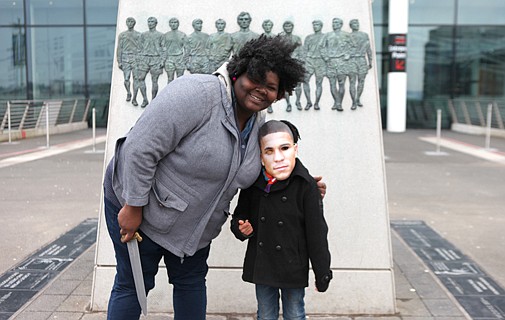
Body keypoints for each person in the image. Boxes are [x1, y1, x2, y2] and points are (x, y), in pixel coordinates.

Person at [103, 35, 326, 320]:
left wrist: (302, 184)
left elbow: (266, 167)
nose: (260, 90)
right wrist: (133, 206)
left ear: (279, 95)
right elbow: (139, 148)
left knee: (190, 283)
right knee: (133, 284)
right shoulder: (196, 93)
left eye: (271, 87)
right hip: (138, 209)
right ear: (237, 72)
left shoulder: (257, 125)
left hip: (195, 228)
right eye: (254, 79)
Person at [230, 120, 332, 320]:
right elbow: (240, 215)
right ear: (260, 157)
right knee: (265, 314)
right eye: (269, 151)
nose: (278, 158)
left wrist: (322, 272)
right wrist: (241, 228)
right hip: (263, 264)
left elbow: (317, 233)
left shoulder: (306, 185)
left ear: (295, 149)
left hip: (293, 265)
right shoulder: (253, 184)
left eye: (284, 148)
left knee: (294, 314)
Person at [321, 18, 351, 111]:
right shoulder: (328, 35)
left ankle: (338, 103)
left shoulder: (346, 35)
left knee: (341, 83)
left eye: (337, 22)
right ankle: (337, 102)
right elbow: (322, 47)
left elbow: (353, 46)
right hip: (331, 61)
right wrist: (325, 56)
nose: (334, 24)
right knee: (332, 83)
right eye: (333, 22)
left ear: (341, 24)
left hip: (342, 62)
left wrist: (348, 54)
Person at [134, 16, 164, 108]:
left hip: (156, 59)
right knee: (140, 78)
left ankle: (153, 100)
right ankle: (145, 99)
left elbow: (164, 48)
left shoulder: (160, 35)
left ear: (156, 23)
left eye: (152, 21)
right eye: (149, 21)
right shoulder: (143, 35)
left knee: (154, 80)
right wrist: (138, 59)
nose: (150, 23)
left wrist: (162, 60)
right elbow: (139, 48)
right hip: (144, 58)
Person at [279, 21, 304, 112]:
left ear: (292, 27)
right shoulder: (281, 38)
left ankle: (298, 101)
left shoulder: (297, 38)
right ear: (284, 27)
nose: (288, 27)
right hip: (285, 64)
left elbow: (301, 51)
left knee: (298, 85)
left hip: (296, 64)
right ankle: (288, 104)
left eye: (289, 26)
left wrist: (301, 62)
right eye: (286, 26)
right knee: (286, 86)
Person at [348, 19, 372, 109]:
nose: (356, 25)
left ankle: (357, 98)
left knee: (361, 81)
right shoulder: (348, 36)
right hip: (351, 60)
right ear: (351, 26)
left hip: (362, 60)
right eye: (354, 24)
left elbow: (368, 49)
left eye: (357, 23)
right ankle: (354, 101)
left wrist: (370, 61)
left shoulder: (364, 35)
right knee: (352, 81)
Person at [303, 20, 326, 111]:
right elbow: (305, 50)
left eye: (317, 25)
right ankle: (309, 101)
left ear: (321, 26)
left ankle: (316, 102)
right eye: (314, 25)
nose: (315, 26)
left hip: (320, 61)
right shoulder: (309, 37)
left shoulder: (325, 37)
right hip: (309, 60)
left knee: (319, 82)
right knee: (305, 80)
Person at [116, 17, 141, 103]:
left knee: (136, 78)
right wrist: (119, 61)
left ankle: (134, 98)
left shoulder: (138, 35)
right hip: (125, 58)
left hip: (135, 58)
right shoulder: (122, 35)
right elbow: (119, 48)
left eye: (131, 21)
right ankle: (128, 93)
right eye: (128, 21)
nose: (130, 23)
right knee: (126, 79)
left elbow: (141, 48)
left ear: (134, 23)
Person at [162, 18, 187, 84]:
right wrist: (163, 60)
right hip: (169, 58)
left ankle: (180, 94)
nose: (173, 24)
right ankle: (170, 93)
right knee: (170, 78)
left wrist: (185, 59)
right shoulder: (165, 35)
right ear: (169, 24)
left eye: (175, 22)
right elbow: (163, 48)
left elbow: (187, 48)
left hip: (180, 58)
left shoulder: (182, 35)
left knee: (180, 79)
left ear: (178, 24)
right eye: (172, 23)